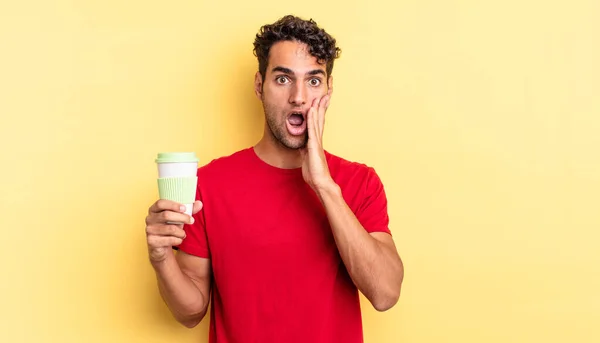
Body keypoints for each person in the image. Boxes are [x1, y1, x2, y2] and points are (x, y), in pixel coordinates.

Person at [144, 14, 404, 343]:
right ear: (259, 85)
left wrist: (324, 186)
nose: (299, 96)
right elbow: (190, 312)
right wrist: (161, 257)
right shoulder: (208, 185)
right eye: (283, 79)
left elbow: (385, 294)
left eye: (313, 80)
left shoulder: (359, 182)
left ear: (328, 90)